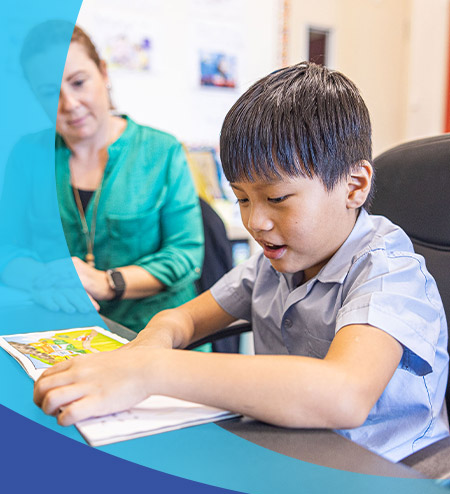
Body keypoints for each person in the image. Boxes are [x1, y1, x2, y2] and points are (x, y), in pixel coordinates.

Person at [34, 62, 449, 462]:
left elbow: (345, 394)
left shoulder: (389, 271)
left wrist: (155, 370)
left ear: (354, 186)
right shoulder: (273, 264)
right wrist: (143, 350)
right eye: (242, 198)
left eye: (276, 198)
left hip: (386, 473)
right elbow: (184, 320)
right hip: (289, 451)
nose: (255, 221)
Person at [2, 21, 204, 331]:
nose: (69, 104)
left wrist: (107, 283)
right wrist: (42, 278)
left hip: (154, 333)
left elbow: (185, 254)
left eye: (78, 82)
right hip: (63, 330)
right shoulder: (27, 155)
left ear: (104, 73)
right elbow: (8, 248)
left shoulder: (162, 151)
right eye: (49, 93)